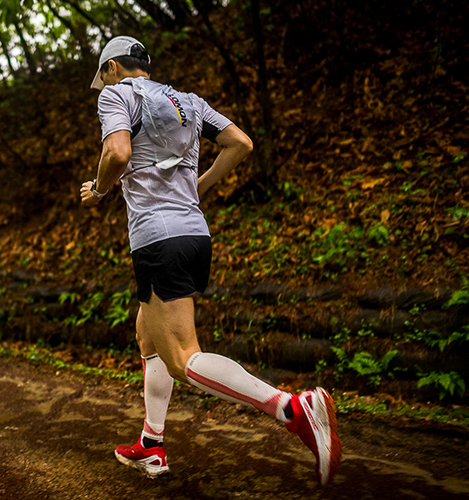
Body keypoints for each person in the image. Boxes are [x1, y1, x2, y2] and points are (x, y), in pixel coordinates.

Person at [80, 36, 341, 485]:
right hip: (193, 235)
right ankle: (151, 444)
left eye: (101, 74)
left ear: (112, 68)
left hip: (157, 239)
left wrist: (100, 190)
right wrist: (194, 190)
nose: (101, 83)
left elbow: (118, 152)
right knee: (148, 333)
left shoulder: (116, 94)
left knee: (182, 357)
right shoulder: (188, 101)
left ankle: (293, 409)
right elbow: (240, 143)